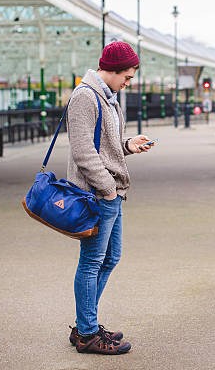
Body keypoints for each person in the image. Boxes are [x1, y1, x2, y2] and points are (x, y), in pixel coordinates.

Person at [66, 41, 154, 355]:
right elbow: (82, 151)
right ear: (112, 70)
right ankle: (87, 333)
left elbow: (106, 144)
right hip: (97, 194)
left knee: (109, 258)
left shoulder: (106, 96)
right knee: (91, 263)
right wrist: (106, 188)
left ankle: (84, 324)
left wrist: (129, 145)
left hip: (110, 193)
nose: (128, 83)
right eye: (126, 77)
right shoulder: (85, 96)